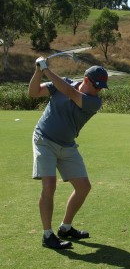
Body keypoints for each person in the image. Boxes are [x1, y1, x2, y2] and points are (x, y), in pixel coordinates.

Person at [29, 57, 108, 249]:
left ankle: (65, 227)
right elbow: (33, 92)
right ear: (86, 80)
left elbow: (70, 93)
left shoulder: (93, 102)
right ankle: (48, 235)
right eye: (96, 86)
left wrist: (47, 69)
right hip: (44, 140)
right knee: (49, 185)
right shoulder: (62, 83)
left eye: (101, 88)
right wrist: (39, 70)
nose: (98, 91)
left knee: (83, 187)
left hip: (67, 145)